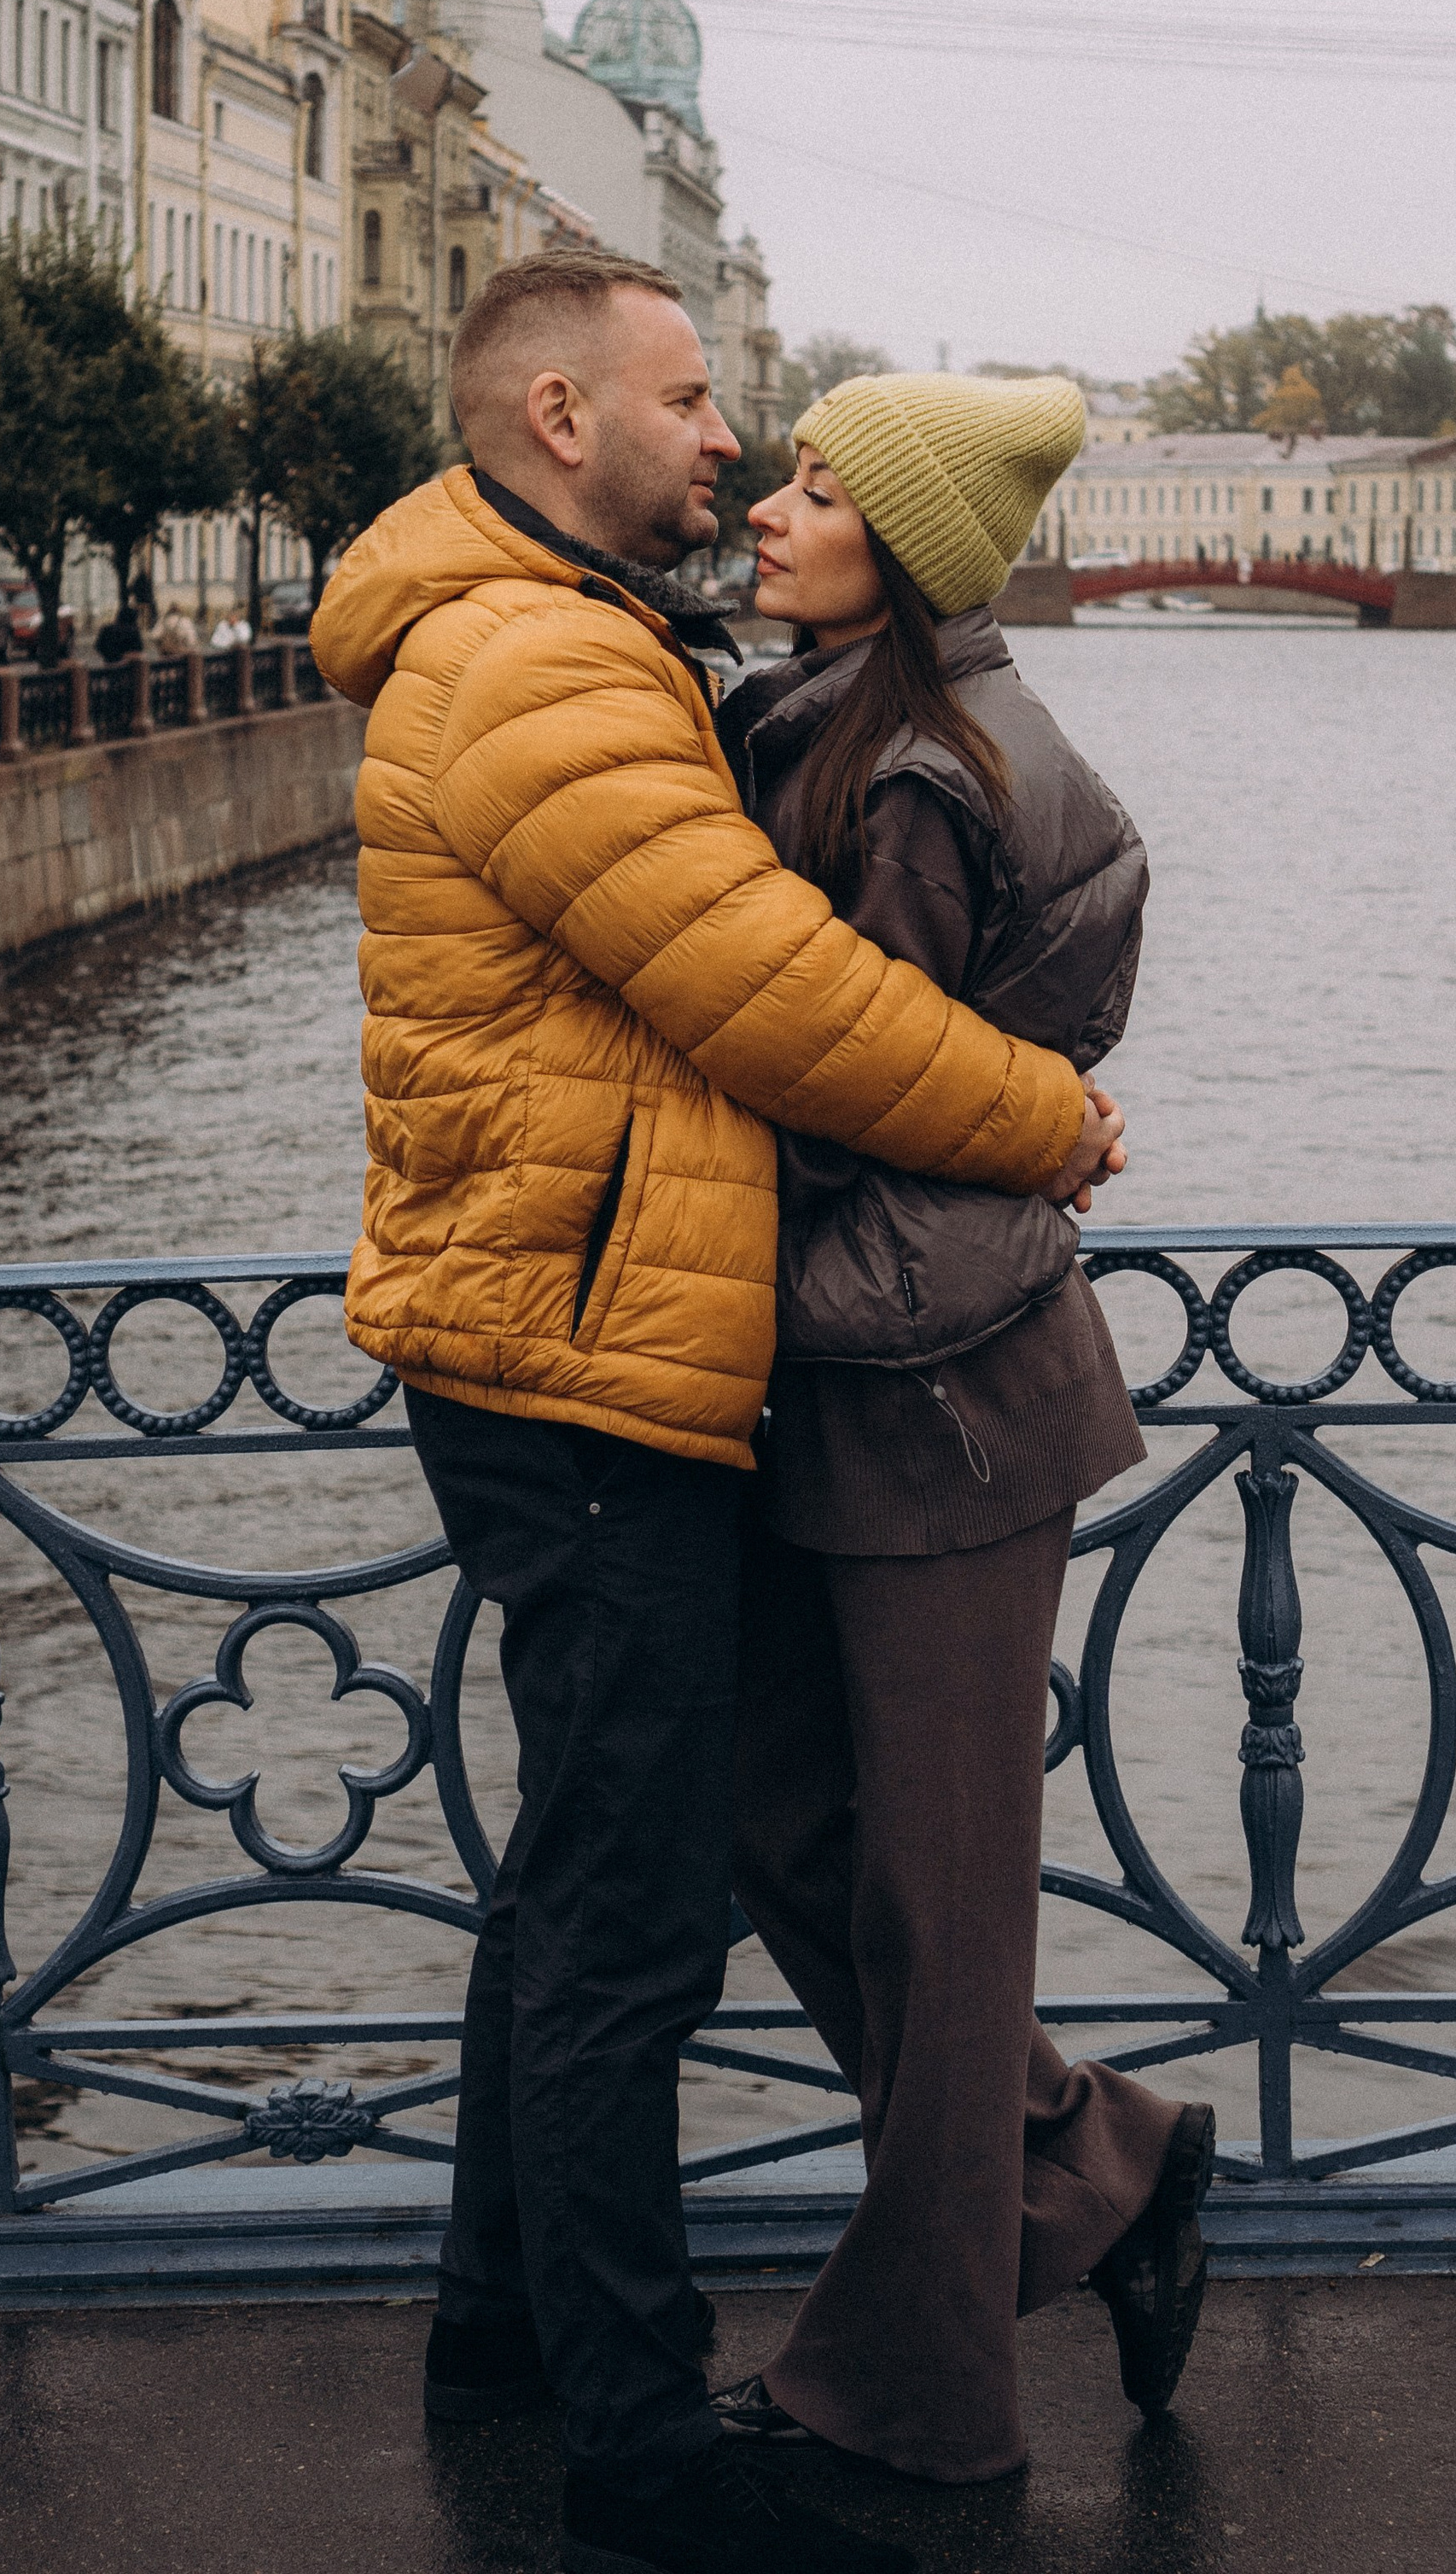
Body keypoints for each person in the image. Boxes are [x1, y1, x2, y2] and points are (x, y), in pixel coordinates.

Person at [309, 253, 1125, 2574]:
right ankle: (641, 2446)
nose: (730, 445)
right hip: (583, 1357)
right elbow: (771, 996)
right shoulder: (542, 657)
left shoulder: (554, 629)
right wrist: (1043, 1117)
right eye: (692, 401)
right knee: (637, 1919)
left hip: (570, 1327)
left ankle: (502, 2328)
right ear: (562, 417)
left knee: (586, 1870)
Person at [708, 373, 1214, 2486]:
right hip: (882, 1369)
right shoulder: (849, 720)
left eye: (818, 488)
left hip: (939, 1398)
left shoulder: (910, 772)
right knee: (790, 1834)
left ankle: (919, 2395)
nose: (764, 502)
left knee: (930, 1897)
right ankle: (1100, 2163)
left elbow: (858, 1081)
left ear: (899, 549)